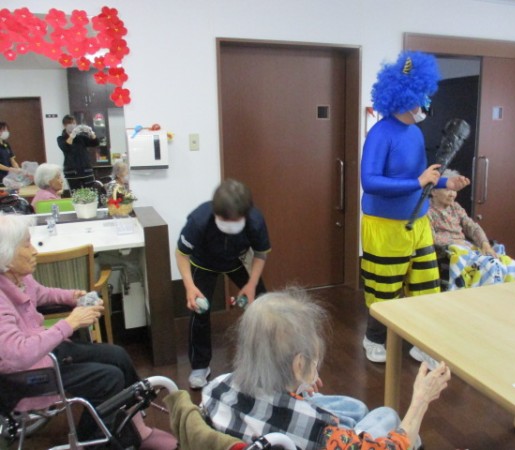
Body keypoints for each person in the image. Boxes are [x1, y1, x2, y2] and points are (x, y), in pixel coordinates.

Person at [173, 289, 451, 450]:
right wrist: (420, 400)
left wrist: (299, 389)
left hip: (258, 430)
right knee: (387, 415)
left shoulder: (217, 386)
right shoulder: (315, 428)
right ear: (298, 365)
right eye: (313, 361)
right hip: (299, 437)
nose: (316, 366)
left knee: (353, 408)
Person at [0, 213, 177, 449]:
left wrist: (74, 297)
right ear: (6, 256)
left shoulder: (19, 278)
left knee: (117, 355)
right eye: (26, 245)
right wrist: (70, 323)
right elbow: (18, 354)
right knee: (109, 379)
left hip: (46, 353)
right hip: (25, 376)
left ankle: (137, 426)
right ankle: (89, 442)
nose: (34, 251)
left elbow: (42, 294)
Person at [360, 51, 470, 365]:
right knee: (385, 288)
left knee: (425, 284)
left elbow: (423, 178)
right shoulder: (380, 133)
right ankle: (374, 338)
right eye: (421, 95)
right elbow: (370, 181)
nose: (425, 102)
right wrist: (418, 181)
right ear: (405, 97)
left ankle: (420, 341)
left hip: (419, 223)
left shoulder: (415, 133)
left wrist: (446, 182)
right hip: (385, 227)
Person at [175, 179, 271, 389]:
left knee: (262, 305)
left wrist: (252, 284)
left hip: (238, 260)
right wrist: (190, 287)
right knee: (199, 311)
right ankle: (200, 366)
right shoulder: (199, 219)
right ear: (216, 213)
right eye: (224, 220)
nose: (230, 225)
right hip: (204, 262)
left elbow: (260, 253)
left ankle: (265, 361)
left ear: (245, 214)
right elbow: (182, 254)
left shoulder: (255, 221)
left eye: (236, 220)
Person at [428, 169, 515, 289]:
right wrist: (453, 242)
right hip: (450, 254)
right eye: (448, 189)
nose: (452, 194)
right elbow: (430, 238)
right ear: (433, 191)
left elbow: (472, 227)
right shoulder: (426, 210)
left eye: (454, 190)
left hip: (467, 248)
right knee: (492, 267)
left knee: (514, 267)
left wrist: (485, 244)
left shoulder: (455, 207)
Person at [57, 115, 98, 191]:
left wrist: (91, 132)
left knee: (91, 193)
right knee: (75, 194)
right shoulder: (61, 138)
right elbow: (66, 147)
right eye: (70, 123)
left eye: (74, 123)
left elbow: (95, 143)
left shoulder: (81, 137)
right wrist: (72, 135)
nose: (72, 125)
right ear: (64, 125)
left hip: (86, 170)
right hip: (72, 172)